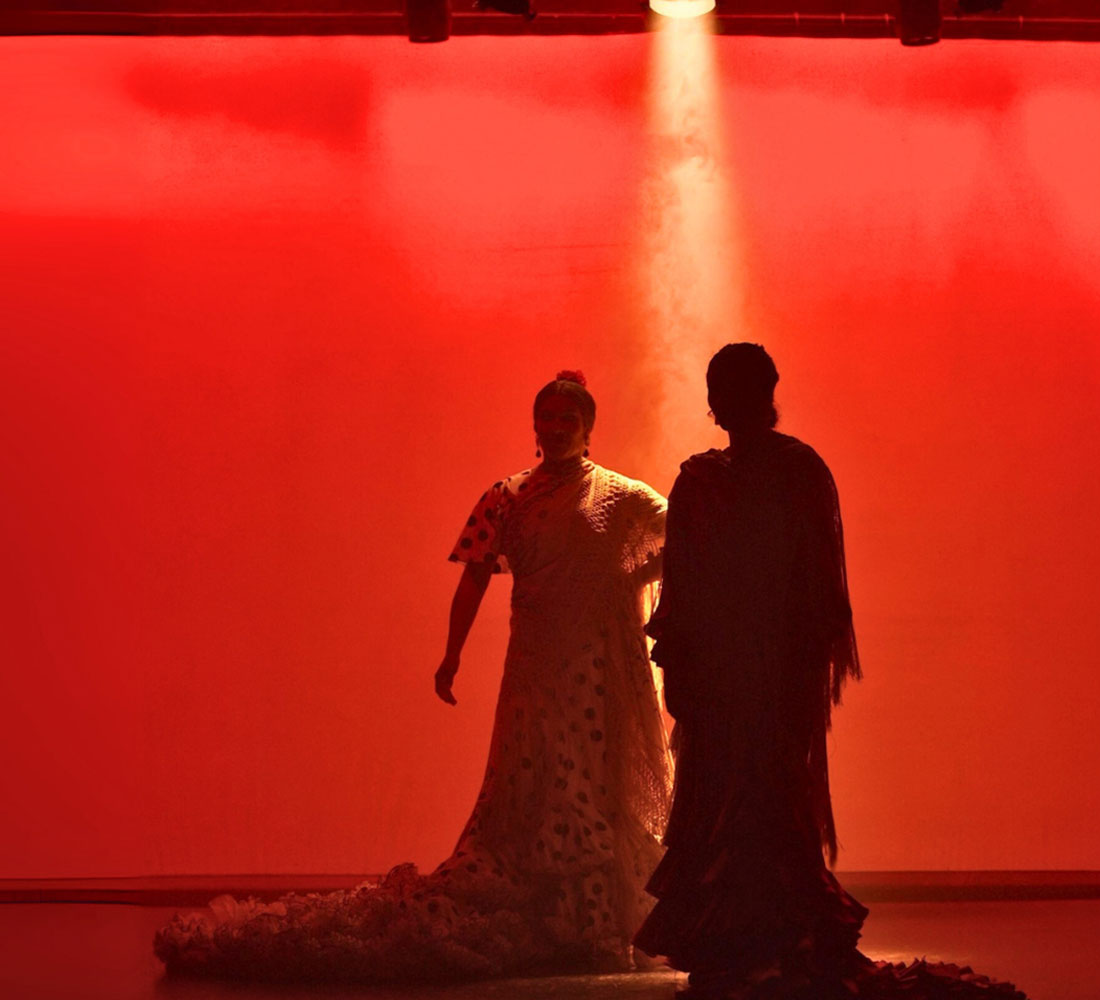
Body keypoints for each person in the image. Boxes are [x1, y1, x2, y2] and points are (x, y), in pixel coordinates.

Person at [154, 370, 673, 982]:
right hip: (535, 669)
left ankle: (593, 917)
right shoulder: (507, 497)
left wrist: (623, 594)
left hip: (598, 671)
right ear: (534, 426)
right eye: (547, 418)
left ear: (589, 428)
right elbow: (475, 573)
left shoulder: (623, 499)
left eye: (568, 419)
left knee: (593, 778)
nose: (556, 429)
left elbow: (676, 544)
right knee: (534, 775)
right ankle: (547, 908)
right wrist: (451, 655)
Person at [634, 344, 1023, 1000]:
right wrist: (687, 668)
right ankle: (746, 947)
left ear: (757, 394)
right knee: (735, 802)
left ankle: (763, 945)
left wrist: (779, 672)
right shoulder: (713, 479)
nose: (727, 403)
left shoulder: (787, 472)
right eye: (721, 390)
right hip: (729, 677)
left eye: (736, 389)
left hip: (763, 675)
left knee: (758, 800)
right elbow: (691, 586)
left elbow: (811, 589)